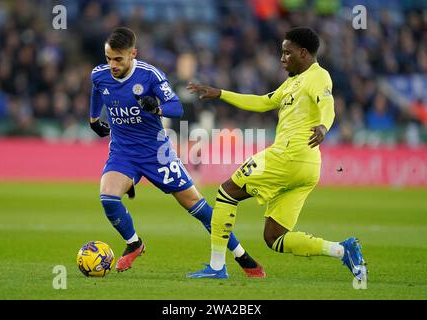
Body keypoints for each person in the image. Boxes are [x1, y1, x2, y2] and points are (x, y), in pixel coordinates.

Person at [187, 27, 367, 281]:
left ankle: (217, 266)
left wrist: (324, 126)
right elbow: (262, 102)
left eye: (287, 53)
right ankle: (342, 250)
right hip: (306, 168)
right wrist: (222, 94)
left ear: (303, 53)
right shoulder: (293, 82)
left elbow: (327, 104)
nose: (282, 59)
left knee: (227, 192)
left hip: (287, 156)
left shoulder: (318, 76)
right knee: (274, 237)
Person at [89, 27, 265, 277]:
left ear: (132, 54)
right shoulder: (100, 75)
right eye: (108, 58)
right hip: (123, 153)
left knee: (198, 206)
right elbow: (97, 90)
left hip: (157, 154)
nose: (112, 64)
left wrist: (157, 108)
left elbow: (176, 108)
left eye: (118, 59)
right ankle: (135, 244)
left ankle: (242, 257)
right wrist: (94, 118)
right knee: (108, 197)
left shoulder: (150, 75)